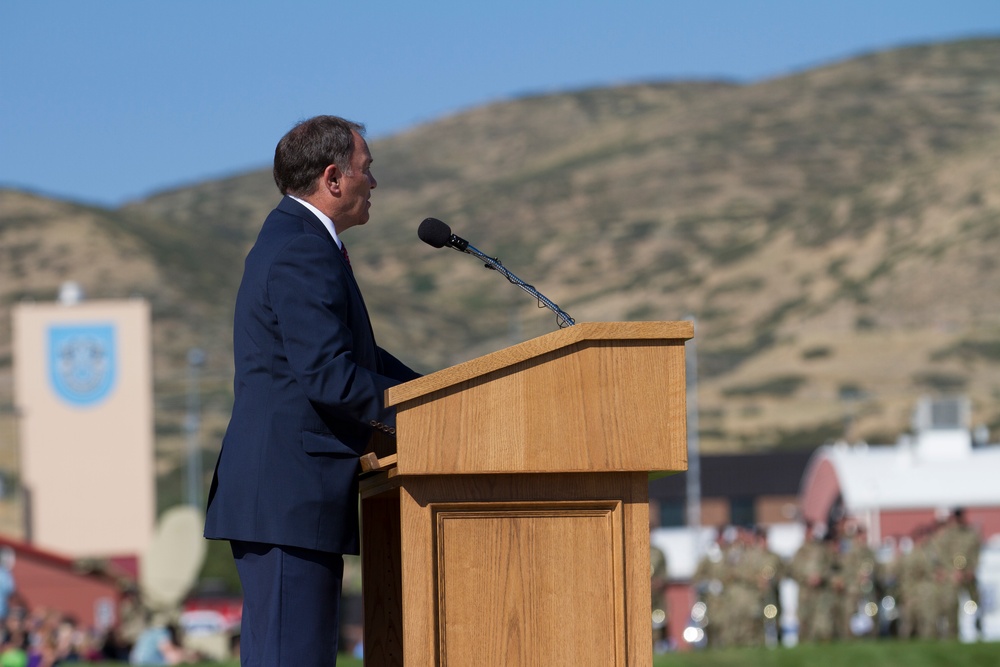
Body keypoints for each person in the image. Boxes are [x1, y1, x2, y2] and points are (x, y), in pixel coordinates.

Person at [204, 115, 421, 666]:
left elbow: (360, 361)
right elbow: (330, 375)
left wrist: (443, 395)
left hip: (291, 501)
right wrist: (425, 416)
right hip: (285, 500)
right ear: (333, 178)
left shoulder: (299, 241)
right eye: (366, 170)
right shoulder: (302, 248)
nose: (374, 183)